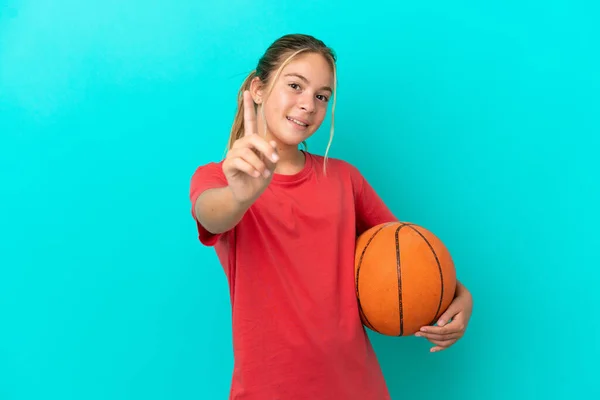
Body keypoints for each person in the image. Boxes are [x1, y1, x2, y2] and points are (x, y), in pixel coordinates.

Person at [189, 33, 473, 400]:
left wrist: (460, 296)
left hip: (357, 387)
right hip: (267, 390)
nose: (308, 104)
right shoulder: (218, 178)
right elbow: (212, 215)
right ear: (258, 89)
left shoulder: (344, 179)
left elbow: (406, 255)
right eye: (295, 86)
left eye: (322, 96)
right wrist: (240, 196)